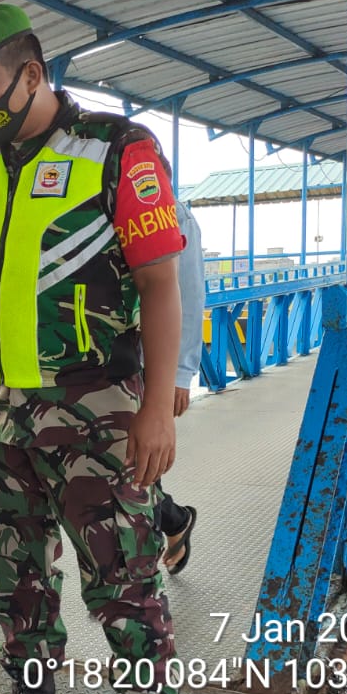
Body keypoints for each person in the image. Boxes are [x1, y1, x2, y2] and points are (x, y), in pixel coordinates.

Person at [0, 5, 185, 694]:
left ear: (32, 75)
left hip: (97, 408)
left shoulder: (118, 149)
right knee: (17, 575)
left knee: (121, 576)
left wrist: (156, 410)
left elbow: (159, 284)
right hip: (3, 411)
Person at [159, 200, 205, 574]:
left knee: (131, 467)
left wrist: (180, 373)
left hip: (146, 365)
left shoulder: (174, 212)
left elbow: (188, 296)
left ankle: (172, 523)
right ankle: (173, 521)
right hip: (95, 364)